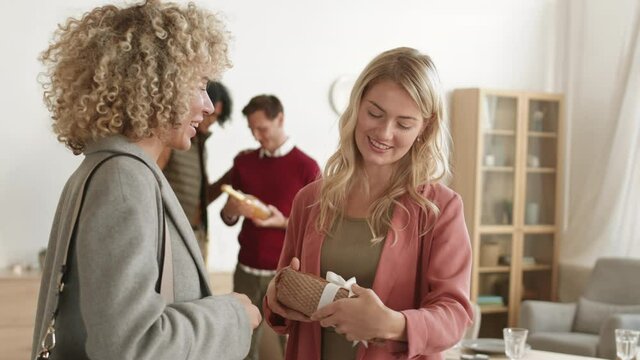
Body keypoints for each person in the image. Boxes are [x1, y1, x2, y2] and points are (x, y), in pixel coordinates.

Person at [32, 1, 261, 359]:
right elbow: (132, 345)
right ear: (158, 86)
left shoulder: (106, 168)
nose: (206, 105)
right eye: (199, 85)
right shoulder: (124, 181)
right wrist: (233, 315)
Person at [263, 47, 474, 360]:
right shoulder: (310, 200)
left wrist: (394, 324)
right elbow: (282, 292)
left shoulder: (440, 209)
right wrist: (275, 297)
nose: (384, 133)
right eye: (375, 113)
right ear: (357, 106)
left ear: (424, 128)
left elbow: (455, 315)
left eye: (404, 124)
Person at [219, 94, 321, 359]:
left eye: (261, 128)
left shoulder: (307, 168)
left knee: (289, 346)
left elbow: (318, 227)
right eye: (252, 129)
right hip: (245, 269)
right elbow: (227, 218)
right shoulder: (244, 163)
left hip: (286, 273)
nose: (256, 136)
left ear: (280, 119)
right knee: (242, 345)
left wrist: (282, 222)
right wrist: (231, 209)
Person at [158, 81, 233, 265]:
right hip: (170, 235)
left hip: (196, 234)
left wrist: (232, 176)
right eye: (211, 114)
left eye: (217, 116)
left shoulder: (199, 145)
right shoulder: (174, 142)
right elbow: (150, 182)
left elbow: (202, 198)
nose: (212, 120)